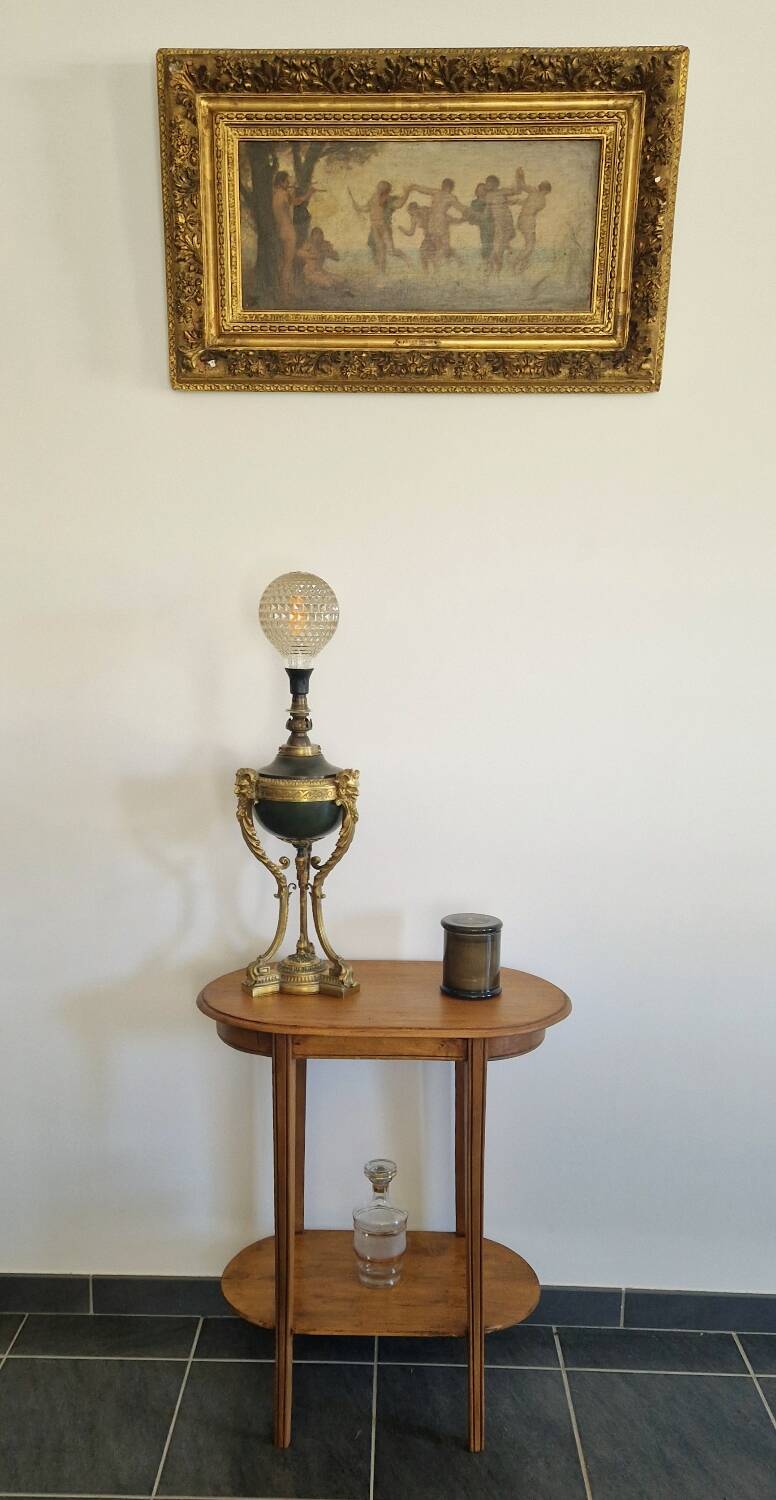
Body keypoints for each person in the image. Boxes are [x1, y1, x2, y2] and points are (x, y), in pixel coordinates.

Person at [272, 170, 317, 300]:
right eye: (287, 181)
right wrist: (310, 192)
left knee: (284, 262)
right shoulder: (284, 194)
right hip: (288, 232)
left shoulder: (275, 194)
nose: (289, 183)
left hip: (279, 231)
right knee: (288, 263)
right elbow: (298, 201)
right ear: (281, 182)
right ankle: (285, 293)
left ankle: (287, 290)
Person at [348, 180, 411, 272]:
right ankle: (382, 273)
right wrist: (355, 204)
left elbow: (399, 204)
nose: (378, 189)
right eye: (379, 187)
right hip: (374, 227)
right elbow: (364, 208)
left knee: (391, 251)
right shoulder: (373, 198)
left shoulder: (388, 199)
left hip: (384, 227)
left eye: (381, 188)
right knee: (380, 250)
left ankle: (406, 258)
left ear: (386, 190)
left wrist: (407, 192)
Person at [407, 178, 466, 261]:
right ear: (451, 188)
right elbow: (461, 208)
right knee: (445, 247)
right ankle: (442, 260)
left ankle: (442, 262)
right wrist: (469, 214)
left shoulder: (436, 192)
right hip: (441, 222)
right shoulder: (451, 197)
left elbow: (423, 189)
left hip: (432, 223)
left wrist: (414, 187)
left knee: (438, 247)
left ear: (443, 186)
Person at [514, 180, 552, 271]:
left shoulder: (533, 193)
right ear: (547, 191)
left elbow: (524, 199)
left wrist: (520, 177)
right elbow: (522, 186)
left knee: (530, 245)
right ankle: (516, 261)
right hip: (528, 221)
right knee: (530, 246)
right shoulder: (542, 200)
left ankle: (521, 263)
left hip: (523, 220)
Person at [397, 202, 437, 271]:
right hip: (428, 237)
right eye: (410, 213)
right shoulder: (414, 218)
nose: (411, 214)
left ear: (415, 209)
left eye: (411, 212)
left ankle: (432, 273)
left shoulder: (425, 210)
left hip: (435, 235)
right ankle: (428, 274)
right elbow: (411, 233)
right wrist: (402, 229)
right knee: (425, 254)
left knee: (427, 254)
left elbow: (436, 213)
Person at [467, 182, 494, 265]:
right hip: (485, 227)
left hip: (495, 225)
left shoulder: (491, 200)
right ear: (477, 192)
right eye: (480, 190)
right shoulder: (475, 202)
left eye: (484, 189)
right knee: (486, 246)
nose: (482, 191)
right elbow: (471, 218)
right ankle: (486, 264)